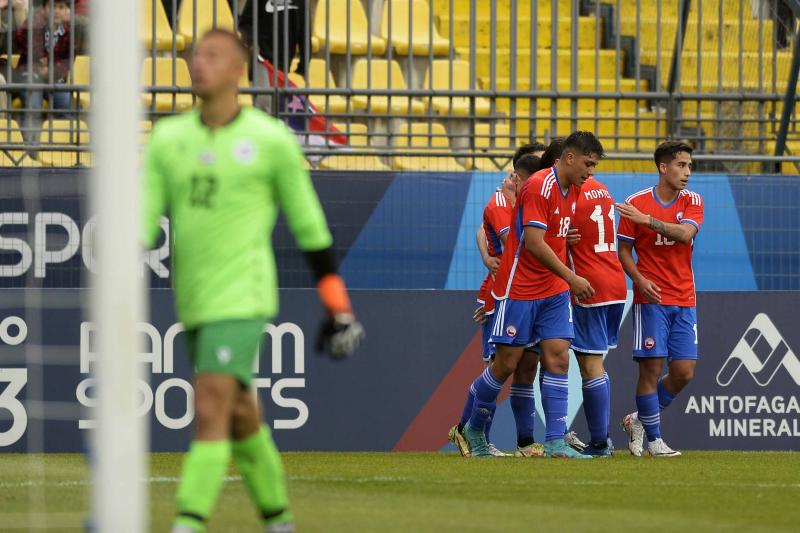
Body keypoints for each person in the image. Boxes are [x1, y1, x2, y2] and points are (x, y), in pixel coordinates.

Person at [142, 29, 364, 533]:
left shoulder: (270, 140)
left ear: (239, 70)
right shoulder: (168, 140)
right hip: (193, 299)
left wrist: (338, 305)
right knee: (242, 413)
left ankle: (188, 522)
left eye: (213, 55)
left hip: (244, 296)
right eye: (196, 54)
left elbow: (311, 229)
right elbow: (141, 220)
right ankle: (279, 520)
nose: (199, 63)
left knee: (210, 404)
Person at [461, 131, 603, 459]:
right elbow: (535, 243)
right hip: (520, 288)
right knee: (505, 365)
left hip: (554, 290)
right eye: (588, 163)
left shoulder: (574, 189)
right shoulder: (539, 186)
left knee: (558, 358)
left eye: (594, 165)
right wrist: (572, 277)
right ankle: (474, 428)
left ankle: (555, 441)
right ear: (569, 158)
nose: (590, 171)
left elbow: (553, 236)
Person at [448, 153, 543, 458]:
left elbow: (482, 232)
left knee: (525, 368)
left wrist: (485, 255)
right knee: (497, 368)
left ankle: (523, 442)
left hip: (526, 293)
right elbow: (519, 242)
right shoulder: (503, 201)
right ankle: (470, 431)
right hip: (503, 294)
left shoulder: (529, 199)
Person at [616, 140, 703, 458]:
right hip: (651, 299)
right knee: (650, 371)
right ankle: (654, 441)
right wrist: (639, 280)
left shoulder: (693, 200)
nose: (687, 172)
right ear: (663, 167)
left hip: (685, 297)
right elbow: (623, 251)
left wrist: (648, 221)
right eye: (681, 165)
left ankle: (638, 419)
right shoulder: (635, 203)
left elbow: (684, 234)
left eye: (689, 165)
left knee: (684, 372)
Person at [566, 166, 627, 457]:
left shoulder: (570, 192)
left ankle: (600, 443)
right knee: (595, 363)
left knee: (589, 364)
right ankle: (602, 439)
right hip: (614, 281)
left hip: (588, 284)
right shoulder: (602, 188)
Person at [15, 0, 81, 139]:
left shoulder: (69, 32)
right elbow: (20, 36)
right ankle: (30, 145)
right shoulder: (35, 23)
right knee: (33, 105)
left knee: (65, 103)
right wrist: (39, 58)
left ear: (66, 11)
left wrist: (50, 71)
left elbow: (68, 61)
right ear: (44, 9)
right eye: (52, 7)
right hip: (30, 75)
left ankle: (62, 144)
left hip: (54, 78)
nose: (56, 11)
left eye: (61, 7)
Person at [239, 0, 308, 113]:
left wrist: (304, 64)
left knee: (277, 106)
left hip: (284, 60)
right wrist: (253, 42)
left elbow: (304, 31)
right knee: (264, 103)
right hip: (260, 59)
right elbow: (245, 23)